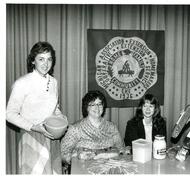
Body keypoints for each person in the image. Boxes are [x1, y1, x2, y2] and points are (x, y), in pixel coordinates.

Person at [6, 41, 67, 174]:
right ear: (33, 61)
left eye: (49, 59)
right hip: (31, 137)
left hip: (52, 137)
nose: (46, 64)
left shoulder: (54, 82)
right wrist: (35, 127)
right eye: (41, 59)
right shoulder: (22, 83)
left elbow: (54, 108)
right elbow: (9, 114)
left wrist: (60, 117)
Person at [61, 90, 124, 165]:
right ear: (86, 107)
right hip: (83, 170)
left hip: (109, 169)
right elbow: (63, 154)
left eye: (99, 104)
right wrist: (78, 154)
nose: (97, 108)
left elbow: (121, 150)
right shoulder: (75, 128)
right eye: (93, 105)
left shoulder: (111, 127)